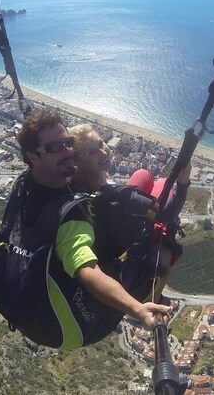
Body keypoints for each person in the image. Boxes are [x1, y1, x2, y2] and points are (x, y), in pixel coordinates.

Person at [0, 109, 173, 349]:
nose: (67, 151)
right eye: (55, 148)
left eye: (68, 143)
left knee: (143, 178)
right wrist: (137, 309)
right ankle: (152, 292)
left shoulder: (24, 184)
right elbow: (86, 270)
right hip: (70, 327)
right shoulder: (69, 214)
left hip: (24, 307)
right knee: (166, 237)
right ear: (33, 156)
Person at [66, 123, 191, 303]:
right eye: (91, 152)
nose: (102, 152)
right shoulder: (120, 196)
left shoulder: (76, 187)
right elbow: (167, 214)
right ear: (80, 163)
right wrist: (183, 184)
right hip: (128, 262)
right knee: (164, 183)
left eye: (101, 144)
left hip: (108, 241)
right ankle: (153, 297)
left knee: (143, 174)